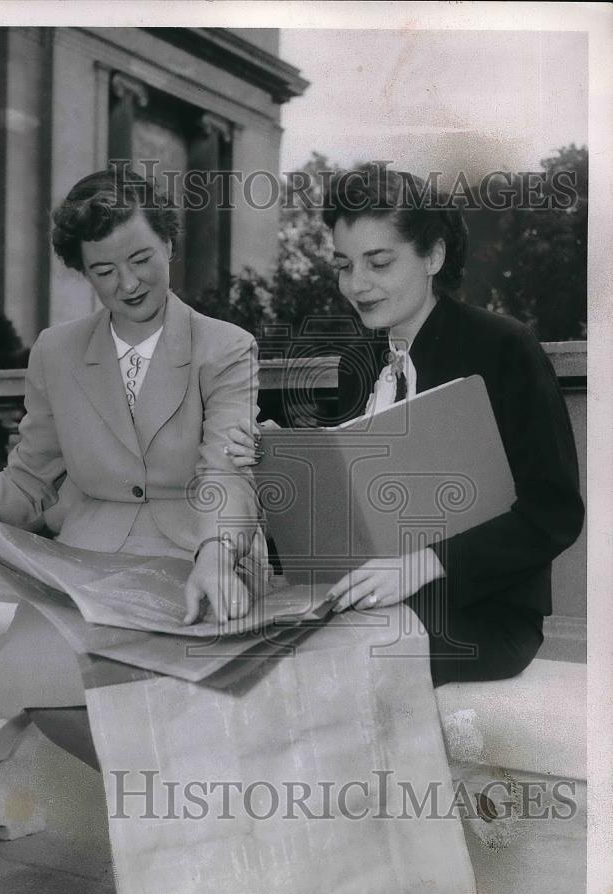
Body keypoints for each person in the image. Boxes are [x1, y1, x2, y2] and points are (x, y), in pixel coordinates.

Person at [226, 163, 585, 686]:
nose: (357, 284)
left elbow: (553, 513)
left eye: (378, 262)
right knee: (239, 646)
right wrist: (275, 471)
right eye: (345, 265)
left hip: (479, 614)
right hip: (364, 599)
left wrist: (422, 564)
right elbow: (336, 530)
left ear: (433, 256)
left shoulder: (503, 346)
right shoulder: (358, 364)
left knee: (301, 669)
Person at [0, 166, 264, 758]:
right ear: (83, 272)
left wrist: (217, 556)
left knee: (170, 683)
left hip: (196, 554)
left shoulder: (225, 346)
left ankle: (169, 820)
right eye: (103, 270)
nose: (128, 283)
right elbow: (29, 485)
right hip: (84, 565)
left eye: (142, 258)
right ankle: (169, 813)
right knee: (34, 679)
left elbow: (226, 470)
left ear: (170, 243)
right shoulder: (56, 351)